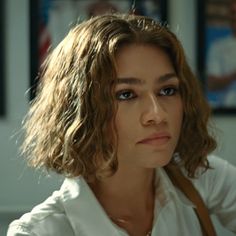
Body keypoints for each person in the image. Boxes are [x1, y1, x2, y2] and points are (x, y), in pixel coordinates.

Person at [7, 13, 236, 236]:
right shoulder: (38, 232)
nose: (157, 114)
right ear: (82, 109)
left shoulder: (201, 177)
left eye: (167, 90)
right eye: (126, 94)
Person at [206, 0, 236, 107]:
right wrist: (233, 75)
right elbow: (211, 84)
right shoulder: (218, 46)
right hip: (226, 110)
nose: (234, 17)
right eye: (233, 13)